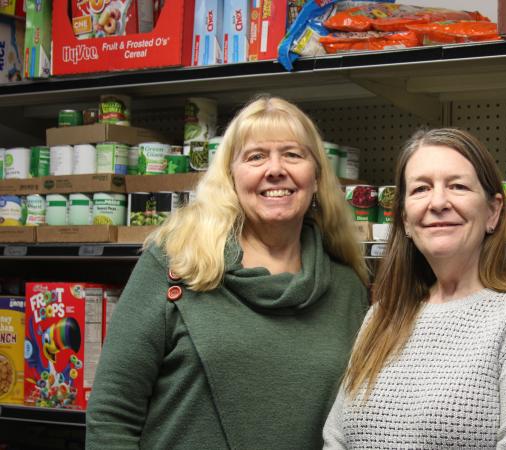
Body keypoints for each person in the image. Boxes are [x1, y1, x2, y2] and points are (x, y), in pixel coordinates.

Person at [86, 96, 369, 449]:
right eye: (256, 156)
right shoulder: (178, 264)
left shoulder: (347, 290)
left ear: (316, 179)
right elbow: (112, 416)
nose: (275, 169)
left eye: (293, 154)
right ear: (230, 178)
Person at [323, 128, 506, 449]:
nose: (438, 202)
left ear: (493, 211)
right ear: (403, 218)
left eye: (457, 186)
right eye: (421, 189)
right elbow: (335, 440)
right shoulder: (381, 316)